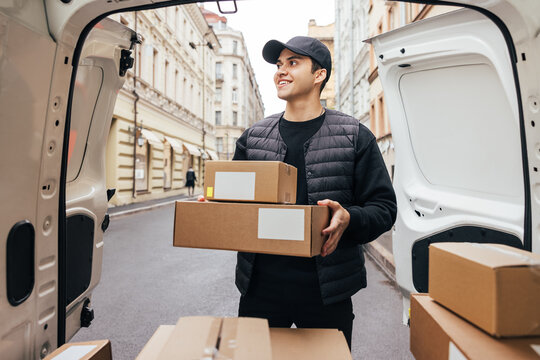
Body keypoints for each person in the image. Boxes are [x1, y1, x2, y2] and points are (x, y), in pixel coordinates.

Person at [232, 36, 397, 349]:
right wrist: (214, 207)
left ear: (319, 74)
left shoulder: (354, 136)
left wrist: (350, 217)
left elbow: (384, 208)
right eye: (279, 65)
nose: (280, 71)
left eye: (293, 63)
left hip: (327, 292)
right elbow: (233, 202)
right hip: (260, 290)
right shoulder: (252, 138)